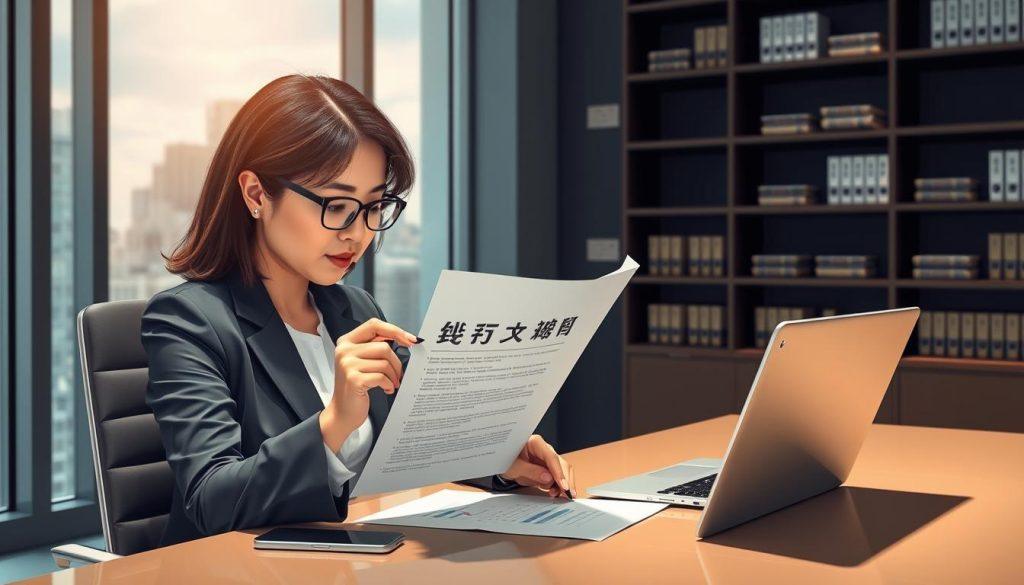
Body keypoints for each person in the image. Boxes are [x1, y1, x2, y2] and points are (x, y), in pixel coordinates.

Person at [141, 74, 576, 547]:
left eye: (373, 206)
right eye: (337, 205)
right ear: (256, 195)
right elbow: (211, 500)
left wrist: (494, 457)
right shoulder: (189, 321)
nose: (358, 233)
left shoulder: (353, 309)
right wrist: (334, 422)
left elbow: (413, 445)